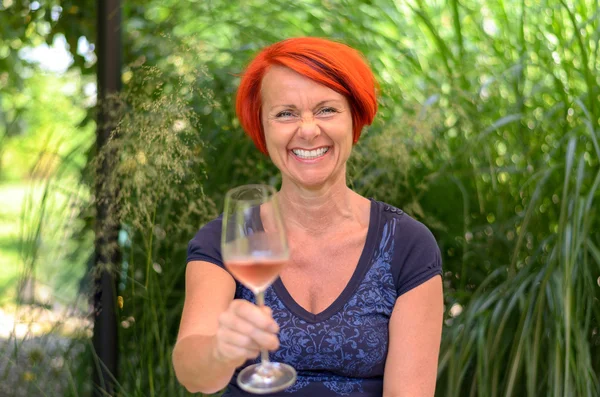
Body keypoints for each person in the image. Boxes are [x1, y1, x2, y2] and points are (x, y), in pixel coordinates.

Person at [172, 37, 443, 396]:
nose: (308, 129)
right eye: (285, 113)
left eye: (327, 109)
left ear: (354, 118)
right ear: (262, 127)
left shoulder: (407, 245)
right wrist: (220, 350)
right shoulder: (229, 238)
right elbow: (194, 375)